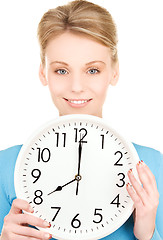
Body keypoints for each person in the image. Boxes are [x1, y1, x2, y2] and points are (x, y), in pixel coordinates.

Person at [0, 0, 162, 239]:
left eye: (93, 70)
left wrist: (147, 233)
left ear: (114, 72)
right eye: (61, 70)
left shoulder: (152, 165)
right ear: (43, 73)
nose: (76, 87)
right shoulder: (7, 166)